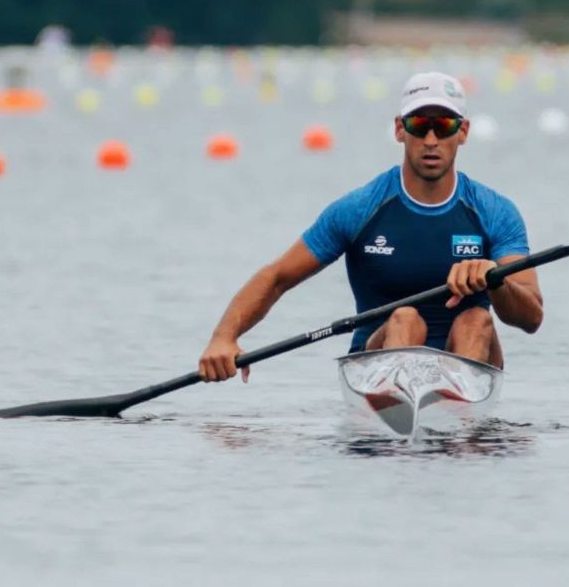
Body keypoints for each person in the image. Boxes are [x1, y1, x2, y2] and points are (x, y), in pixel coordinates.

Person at [198, 71, 543, 382]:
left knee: (476, 319)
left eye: (446, 126)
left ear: (463, 132)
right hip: (379, 359)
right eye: (420, 124)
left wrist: (495, 280)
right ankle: (407, 403)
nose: (432, 139)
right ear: (399, 129)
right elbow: (276, 278)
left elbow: (531, 317)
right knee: (404, 318)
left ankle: (456, 409)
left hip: (468, 357)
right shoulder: (360, 209)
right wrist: (223, 338)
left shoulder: (495, 212)